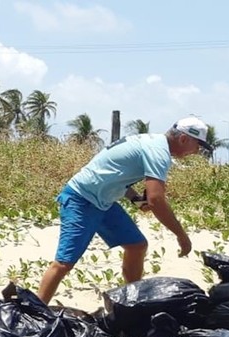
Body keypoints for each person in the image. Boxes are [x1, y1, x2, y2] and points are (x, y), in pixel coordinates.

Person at [36, 117, 207, 304]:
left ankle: (132, 300)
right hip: (81, 199)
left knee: (137, 246)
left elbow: (115, 174)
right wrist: (182, 235)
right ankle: (33, 312)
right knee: (63, 264)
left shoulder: (149, 141)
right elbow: (156, 199)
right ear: (184, 139)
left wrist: (136, 200)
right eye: (198, 145)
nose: (197, 151)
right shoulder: (159, 152)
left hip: (104, 202)